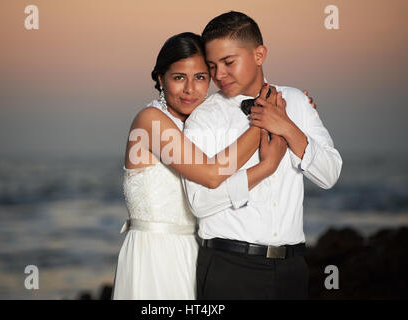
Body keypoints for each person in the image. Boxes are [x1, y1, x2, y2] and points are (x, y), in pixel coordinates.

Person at [111, 32, 285, 300]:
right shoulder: (150, 121)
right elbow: (213, 175)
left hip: (199, 253)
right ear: (160, 79)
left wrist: (292, 110)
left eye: (201, 77)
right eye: (179, 77)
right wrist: (266, 118)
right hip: (155, 256)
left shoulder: (205, 125)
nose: (190, 89)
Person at [182, 11, 342, 299]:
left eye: (229, 62)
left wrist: (288, 128)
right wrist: (265, 168)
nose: (219, 75)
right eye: (212, 66)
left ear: (259, 54)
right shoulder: (203, 119)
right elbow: (200, 202)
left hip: (292, 269)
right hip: (229, 270)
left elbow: (330, 175)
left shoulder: (295, 102)